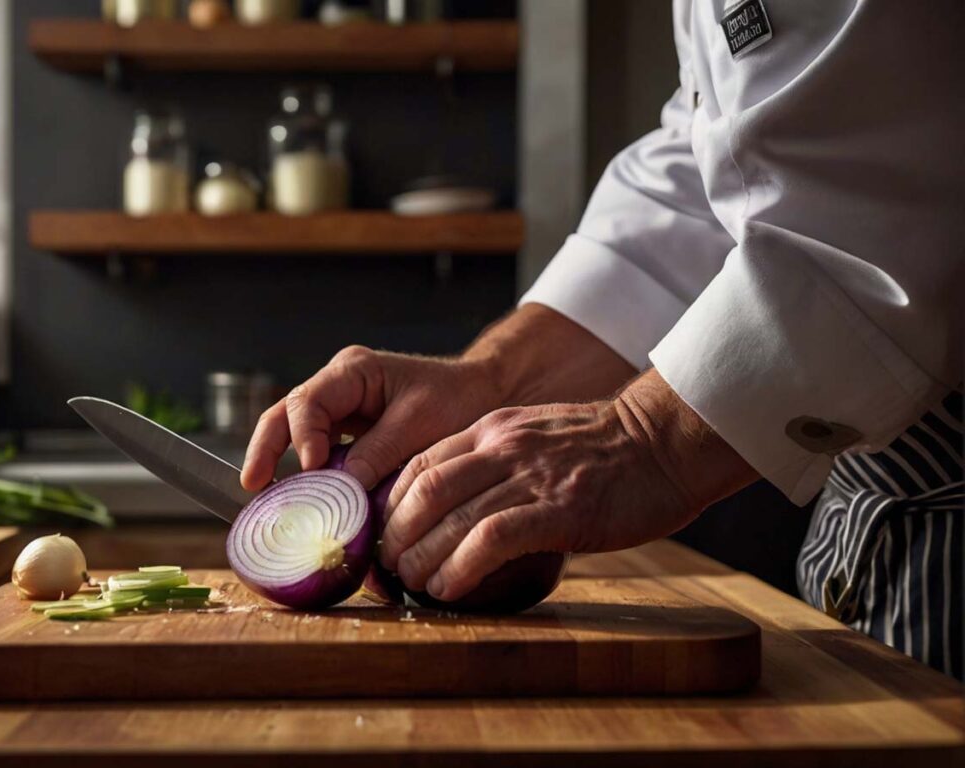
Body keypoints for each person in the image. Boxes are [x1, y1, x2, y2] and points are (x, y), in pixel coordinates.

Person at [243, 0, 963, 677]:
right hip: (883, 518)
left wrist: (646, 438)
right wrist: (496, 379)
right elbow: (717, 172)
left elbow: (893, 220)